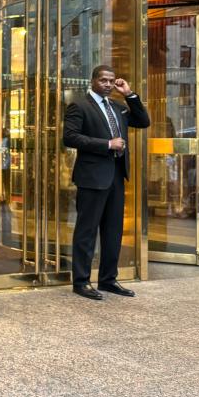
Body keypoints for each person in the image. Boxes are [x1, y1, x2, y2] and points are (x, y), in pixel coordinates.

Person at [62, 65, 150, 301]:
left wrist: (129, 94)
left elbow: (143, 121)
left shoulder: (118, 108)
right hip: (91, 178)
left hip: (116, 177)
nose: (108, 84)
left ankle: (108, 279)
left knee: (113, 231)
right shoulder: (79, 106)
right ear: (92, 81)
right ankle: (81, 282)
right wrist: (107, 145)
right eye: (103, 80)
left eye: (112, 81)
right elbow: (69, 137)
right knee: (87, 231)